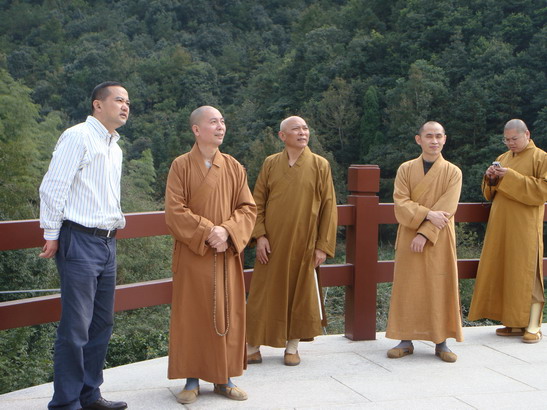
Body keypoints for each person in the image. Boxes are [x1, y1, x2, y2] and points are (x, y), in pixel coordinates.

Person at [39, 82, 129, 410]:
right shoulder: (78, 136)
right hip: (78, 240)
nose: (125, 106)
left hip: (107, 243)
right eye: (118, 100)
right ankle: (65, 403)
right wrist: (51, 232)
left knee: (101, 324)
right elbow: (54, 186)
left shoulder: (114, 147)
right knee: (75, 328)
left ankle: (90, 395)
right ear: (97, 105)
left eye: (127, 101)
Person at [165, 106, 257, 404]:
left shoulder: (233, 166)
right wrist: (208, 231)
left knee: (226, 312)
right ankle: (191, 380)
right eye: (213, 122)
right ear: (196, 129)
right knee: (193, 315)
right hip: (194, 254)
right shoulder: (180, 165)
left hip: (225, 254)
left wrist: (228, 232)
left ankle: (224, 378)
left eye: (222, 122)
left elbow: (247, 208)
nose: (221, 127)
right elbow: (175, 211)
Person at [246, 116, 337, 366]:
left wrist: (322, 245)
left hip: (304, 242)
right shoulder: (270, 163)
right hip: (272, 244)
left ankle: (292, 346)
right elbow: (257, 202)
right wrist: (260, 235)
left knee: (300, 293)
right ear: (282, 136)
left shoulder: (320, 165)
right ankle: (252, 347)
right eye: (295, 129)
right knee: (263, 294)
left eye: (305, 128)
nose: (302, 132)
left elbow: (329, 206)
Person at [385, 121, 463, 362]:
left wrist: (424, 232)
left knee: (440, 285)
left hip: (437, 238)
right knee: (408, 286)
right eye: (429, 136)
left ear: (445, 139)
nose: (434, 141)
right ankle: (405, 339)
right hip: (409, 234)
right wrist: (427, 215)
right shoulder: (406, 169)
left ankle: (441, 342)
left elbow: (447, 208)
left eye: (439, 136)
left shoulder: (453, 171)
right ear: (418, 140)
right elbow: (400, 201)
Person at [468, 119, 546, 343]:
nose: (510, 143)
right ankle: (513, 323)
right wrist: (491, 179)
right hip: (500, 225)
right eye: (507, 139)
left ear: (527, 134)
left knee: (527, 272)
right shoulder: (502, 159)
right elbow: (489, 193)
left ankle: (533, 325)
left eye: (514, 139)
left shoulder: (541, 158)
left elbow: (543, 190)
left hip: (525, 226)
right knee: (505, 270)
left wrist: (509, 177)